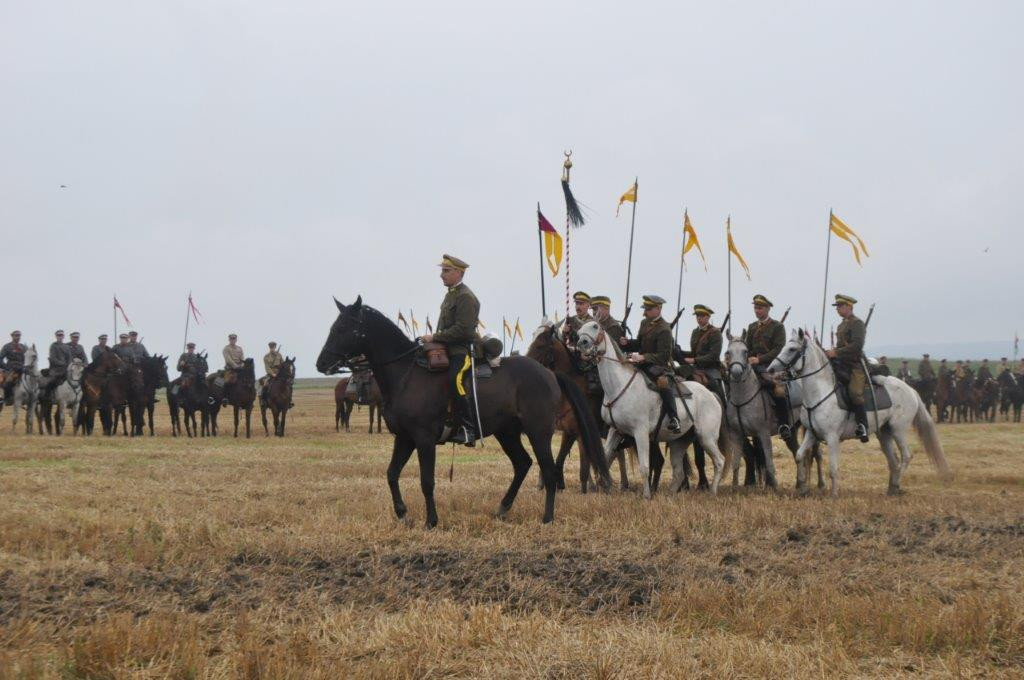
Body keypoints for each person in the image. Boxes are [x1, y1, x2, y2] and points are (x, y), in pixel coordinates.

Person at [419, 254, 481, 445]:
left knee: (456, 380)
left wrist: (435, 337)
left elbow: (463, 329)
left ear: (458, 273)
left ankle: (469, 428)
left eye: (446, 271)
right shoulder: (451, 294)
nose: (441, 275)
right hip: (445, 349)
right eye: (442, 270)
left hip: (462, 351)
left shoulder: (466, 297)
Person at [619, 294, 681, 433]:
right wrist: (627, 343)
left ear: (658, 309)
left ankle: (674, 418)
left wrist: (643, 357)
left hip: (658, 366)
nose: (644, 312)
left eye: (648, 309)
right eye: (645, 308)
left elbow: (663, 356)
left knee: (663, 382)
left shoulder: (665, 329)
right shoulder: (644, 323)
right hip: (641, 363)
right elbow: (639, 344)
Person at [744, 294, 793, 442]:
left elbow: (778, 350)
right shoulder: (752, 327)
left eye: (760, 308)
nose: (757, 311)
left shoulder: (778, 327)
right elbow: (749, 347)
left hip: (771, 366)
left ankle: (784, 424)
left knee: (778, 390)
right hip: (752, 365)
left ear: (767, 309)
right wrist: (747, 358)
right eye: (755, 308)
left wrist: (759, 359)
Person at [825, 294, 869, 442]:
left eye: (840, 306)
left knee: (855, 392)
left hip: (855, 365)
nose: (837, 309)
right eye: (837, 306)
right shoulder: (841, 325)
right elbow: (839, 346)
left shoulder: (858, 324)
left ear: (849, 306)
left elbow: (857, 346)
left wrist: (836, 352)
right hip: (841, 363)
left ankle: (863, 426)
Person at [0, 330, 27, 405]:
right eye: (16, 335)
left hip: (22, 368)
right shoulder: (7, 346)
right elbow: (0, 358)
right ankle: (7, 398)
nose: (17, 337)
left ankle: (35, 398)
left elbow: (27, 358)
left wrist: (26, 366)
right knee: (8, 382)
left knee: (34, 379)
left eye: (19, 336)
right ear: (12, 336)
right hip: (11, 369)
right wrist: (6, 367)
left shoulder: (23, 347)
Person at [45, 330, 71, 398]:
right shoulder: (53, 346)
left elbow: (69, 358)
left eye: (61, 335)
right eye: (59, 335)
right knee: (51, 381)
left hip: (66, 369)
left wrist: (68, 365)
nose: (60, 337)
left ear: (63, 336)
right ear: (56, 336)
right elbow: (53, 358)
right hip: (55, 369)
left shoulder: (66, 347)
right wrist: (62, 363)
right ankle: (47, 396)